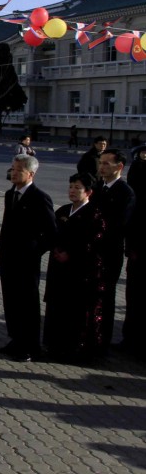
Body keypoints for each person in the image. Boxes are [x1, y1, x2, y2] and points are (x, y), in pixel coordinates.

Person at [0, 154, 56, 362]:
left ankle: (31, 346)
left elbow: (51, 233)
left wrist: (34, 251)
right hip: (8, 259)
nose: (13, 173)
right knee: (11, 302)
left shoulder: (40, 197)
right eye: (12, 169)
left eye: (18, 170)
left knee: (27, 304)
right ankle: (15, 339)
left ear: (31, 173)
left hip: (27, 261)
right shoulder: (9, 194)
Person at [43, 173, 108, 361]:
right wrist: (56, 249)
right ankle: (55, 346)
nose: (72, 191)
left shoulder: (95, 214)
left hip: (80, 272)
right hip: (58, 269)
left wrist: (70, 254)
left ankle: (76, 349)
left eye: (77, 188)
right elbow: (51, 233)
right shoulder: (63, 211)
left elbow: (94, 242)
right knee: (57, 308)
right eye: (71, 186)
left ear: (88, 192)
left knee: (76, 312)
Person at [92, 149, 136, 348]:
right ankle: (90, 335)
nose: (102, 167)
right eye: (101, 163)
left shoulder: (125, 193)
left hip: (110, 252)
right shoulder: (98, 187)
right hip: (92, 250)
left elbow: (119, 225)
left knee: (106, 296)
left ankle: (103, 340)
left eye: (107, 164)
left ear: (119, 167)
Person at [123, 146, 146, 356]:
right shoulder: (137, 199)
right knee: (134, 296)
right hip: (139, 247)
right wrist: (131, 247)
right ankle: (131, 339)